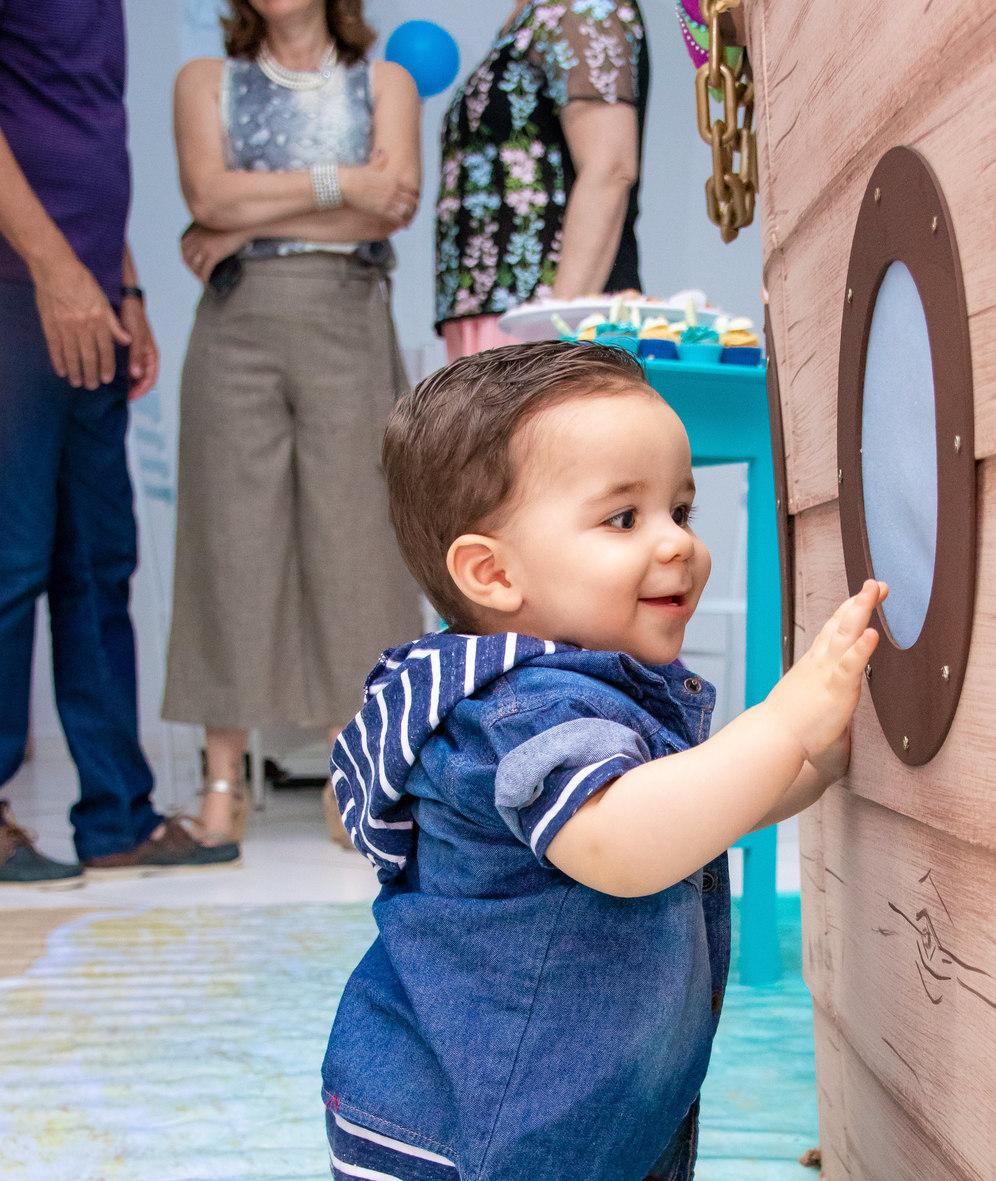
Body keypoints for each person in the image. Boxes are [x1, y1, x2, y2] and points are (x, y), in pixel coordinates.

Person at [8, 341, 881, 1181]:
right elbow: (627, 842)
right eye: (624, 519)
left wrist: (810, 763)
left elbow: (697, 813)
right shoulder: (531, 712)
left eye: (682, 511)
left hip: (430, 1098)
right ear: (492, 575)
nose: (679, 549)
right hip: (469, 1124)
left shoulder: (553, 688)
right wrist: (785, 721)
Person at [161, 0, 424, 850]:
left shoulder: (386, 83)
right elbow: (205, 192)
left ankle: (362, 773)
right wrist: (341, 183)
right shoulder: (207, 81)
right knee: (228, 539)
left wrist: (239, 219)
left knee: (361, 541)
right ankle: (222, 780)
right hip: (236, 321)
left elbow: (391, 210)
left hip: (348, 313)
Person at [0, 0, 239, 885]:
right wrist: (57, 275)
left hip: (90, 288)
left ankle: (116, 815)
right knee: (11, 557)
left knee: (99, 560)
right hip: (19, 289)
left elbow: (83, 141)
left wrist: (123, 288)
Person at [435, 0, 649, 360]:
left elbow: (610, 167)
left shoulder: (582, 6)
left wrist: (553, 335)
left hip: (545, 320)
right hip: (498, 317)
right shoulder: (529, 16)